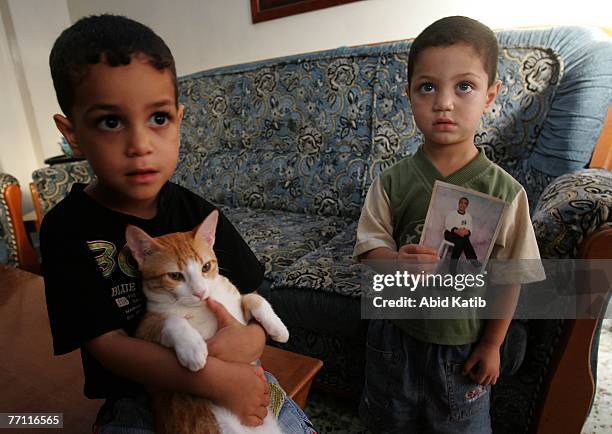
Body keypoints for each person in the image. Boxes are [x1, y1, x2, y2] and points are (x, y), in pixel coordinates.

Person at [41, 14, 314, 433]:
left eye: (159, 119)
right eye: (110, 121)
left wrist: (251, 342)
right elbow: (108, 346)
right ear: (72, 132)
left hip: (239, 370)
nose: (140, 145)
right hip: (138, 394)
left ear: (179, 120)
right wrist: (213, 378)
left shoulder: (194, 211)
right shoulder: (66, 229)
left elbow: (250, 299)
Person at [354, 16, 544, 433]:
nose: (444, 102)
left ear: (490, 94)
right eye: (427, 87)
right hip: (394, 340)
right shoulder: (391, 182)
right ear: (409, 95)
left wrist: (493, 344)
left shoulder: (505, 192)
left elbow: (510, 277)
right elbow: (369, 250)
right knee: (385, 423)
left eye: (464, 86)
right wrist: (395, 262)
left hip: (461, 348)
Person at [444, 196, 480, 272]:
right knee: (462, 240)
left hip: (462, 236)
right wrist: (457, 231)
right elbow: (447, 225)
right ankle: (473, 259)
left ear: (467, 206)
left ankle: (452, 268)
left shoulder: (468, 216)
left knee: (461, 242)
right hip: (450, 233)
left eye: (465, 203)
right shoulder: (452, 213)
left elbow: (470, 228)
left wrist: (466, 232)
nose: (462, 205)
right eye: (461, 203)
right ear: (459, 203)